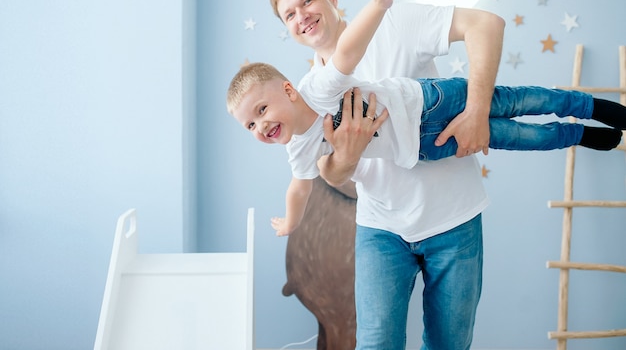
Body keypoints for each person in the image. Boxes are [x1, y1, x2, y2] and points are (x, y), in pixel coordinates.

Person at [264, 0, 592, 350]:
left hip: (454, 219)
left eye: (307, 2)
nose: (302, 16)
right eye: (289, 15)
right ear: (288, 29)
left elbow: (486, 25)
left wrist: (475, 112)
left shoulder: (394, 23)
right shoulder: (306, 92)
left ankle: (580, 118)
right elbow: (327, 174)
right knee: (376, 344)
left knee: (449, 344)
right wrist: (347, 157)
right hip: (380, 228)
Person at [227, 61, 624, 235]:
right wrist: (291, 221)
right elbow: (300, 186)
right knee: (513, 137)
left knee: (518, 101)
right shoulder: (297, 150)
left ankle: (589, 106)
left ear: (288, 90)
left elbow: (347, 50)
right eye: (250, 125)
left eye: (261, 111)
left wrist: (380, 2)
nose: (260, 126)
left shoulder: (317, 85)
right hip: (426, 145)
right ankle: (578, 136)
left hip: (432, 101)